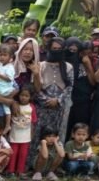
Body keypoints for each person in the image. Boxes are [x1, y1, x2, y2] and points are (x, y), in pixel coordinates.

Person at [31, 37, 72, 166]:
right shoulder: (41, 66)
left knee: (57, 135)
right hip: (42, 107)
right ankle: (34, 164)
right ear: (48, 49)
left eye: (59, 49)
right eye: (54, 49)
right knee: (38, 135)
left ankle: (52, 166)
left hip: (60, 108)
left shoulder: (68, 67)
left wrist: (58, 100)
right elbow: (35, 88)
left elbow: (70, 87)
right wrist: (46, 100)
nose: (57, 51)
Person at [66, 37, 95, 136]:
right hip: (69, 98)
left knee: (80, 126)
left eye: (89, 53)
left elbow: (93, 82)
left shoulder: (92, 62)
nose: (85, 56)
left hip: (83, 101)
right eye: (83, 53)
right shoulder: (68, 61)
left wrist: (88, 65)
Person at [6, 86, 36, 177]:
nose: (24, 97)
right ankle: (10, 171)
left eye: (26, 96)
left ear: (30, 97)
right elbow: (9, 119)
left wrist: (31, 134)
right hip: (14, 134)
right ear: (18, 95)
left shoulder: (32, 107)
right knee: (13, 153)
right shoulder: (14, 106)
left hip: (25, 135)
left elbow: (33, 121)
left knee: (23, 154)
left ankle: (20, 171)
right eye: (22, 95)